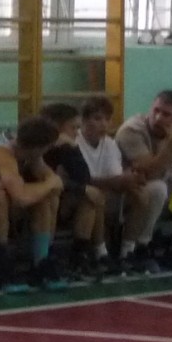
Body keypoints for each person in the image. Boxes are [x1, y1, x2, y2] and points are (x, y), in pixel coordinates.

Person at [0, 115, 67, 292]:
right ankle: (2, 266)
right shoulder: (2, 155)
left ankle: (41, 263)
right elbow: (21, 198)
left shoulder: (26, 148)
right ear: (38, 147)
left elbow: (56, 185)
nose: (47, 152)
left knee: (44, 198)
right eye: (47, 148)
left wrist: (48, 184)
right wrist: (49, 183)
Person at [115, 89, 172, 273]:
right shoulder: (132, 130)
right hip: (127, 193)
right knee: (158, 188)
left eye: (166, 114)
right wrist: (171, 142)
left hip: (160, 190)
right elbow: (151, 172)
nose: (158, 118)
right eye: (156, 111)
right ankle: (136, 248)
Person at [74, 96, 153, 275]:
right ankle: (100, 253)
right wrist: (119, 181)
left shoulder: (110, 144)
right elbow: (81, 180)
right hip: (78, 195)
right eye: (97, 118)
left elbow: (117, 178)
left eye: (107, 119)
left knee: (142, 193)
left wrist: (131, 179)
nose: (103, 124)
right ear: (84, 120)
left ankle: (128, 251)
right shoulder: (75, 142)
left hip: (106, 191)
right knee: (96, 195)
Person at [39, 101, 107, 280]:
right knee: (52, 197)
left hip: (58, 200)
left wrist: (74, 149)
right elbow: (42, 181)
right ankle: (45, 257)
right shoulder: (37, 148)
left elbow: (84, 178)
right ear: (56, 127)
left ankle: (79, 257)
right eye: (73, 127)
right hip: (34, 202)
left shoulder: (65, 147)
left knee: (90, 196)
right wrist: (80, 188)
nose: (77, 133)